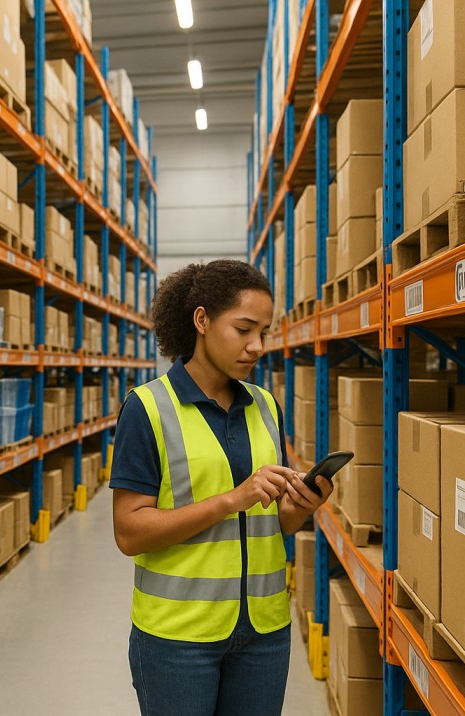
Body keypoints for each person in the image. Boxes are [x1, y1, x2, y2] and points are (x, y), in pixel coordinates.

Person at [110, 259, 333, 716]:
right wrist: (232, 499)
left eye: (264, 333)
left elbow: (276, 523)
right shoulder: (148, 407)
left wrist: (301, 507)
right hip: (179, 636)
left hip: (264, 632)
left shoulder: (266, 405)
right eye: (244, 329)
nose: (256, 346)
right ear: (202, 320)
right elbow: (129, 533)